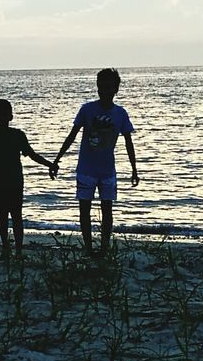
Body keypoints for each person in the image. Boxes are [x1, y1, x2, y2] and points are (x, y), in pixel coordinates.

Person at [52, 68, 139, 258]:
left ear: (116, 89)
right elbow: (72, 136)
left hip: (107, 170)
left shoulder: (120, 114)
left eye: (109, 88)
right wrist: (57, 159)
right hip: (86, 169)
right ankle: (89, 247)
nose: (105, 91)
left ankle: (105, 247)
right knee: (85, 208)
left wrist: (134, 169)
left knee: (107, 209)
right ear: (97, 88)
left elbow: (128, 142)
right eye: (102, 87)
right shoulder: (87, 110)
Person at [0, 98, 54, 257]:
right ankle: (15, 250)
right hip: (12, 182)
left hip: (4, 182)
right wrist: (49, 164)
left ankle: (8, 248)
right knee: (14, 216)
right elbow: (32, 155)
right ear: (11, 116)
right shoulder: (15, 135)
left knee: (4, 217)